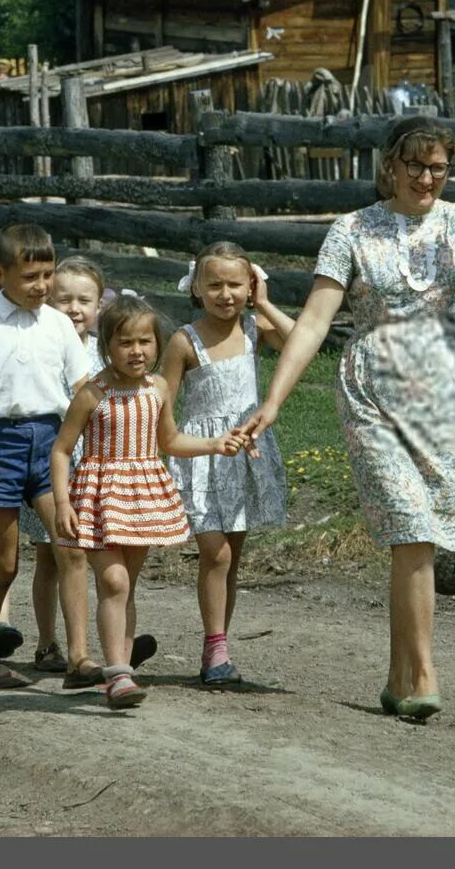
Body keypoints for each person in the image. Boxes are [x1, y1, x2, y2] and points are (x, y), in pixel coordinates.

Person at [235, 117, 455, 722]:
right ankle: (423, 675)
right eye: (415, 166)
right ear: (390, 165)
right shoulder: (350, 231)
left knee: (419, 539)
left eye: (438, 168)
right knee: (410, 525)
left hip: (445, 390)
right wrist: (275, 400)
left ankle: (400, 677)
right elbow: (315, 321)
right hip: (372, 387)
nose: (426, 179)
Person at [54, 294, 234, 710]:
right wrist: (63, 503)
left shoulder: (158, 388)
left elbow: (168, 441)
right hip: (98, 497)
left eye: (145, 342)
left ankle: (121, 672)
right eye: (125, 343)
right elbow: (62, 450)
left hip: (141, 494)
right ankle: (117, 674)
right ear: (107, 347)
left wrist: (213, 444)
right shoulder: (92, 394)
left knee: (125, 587)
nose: (137, 352)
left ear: (156, 344)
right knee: (113, 582)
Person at [0, 223, 95, 690]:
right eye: (30, 277)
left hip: (51, 444)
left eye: (47, 274)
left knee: (71, 550)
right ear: (0, 273)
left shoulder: (59, 324)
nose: (42, 286)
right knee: (2, 565)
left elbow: (82, 388)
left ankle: (79, 659)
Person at [160, 242, 296, 685]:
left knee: (231, 558)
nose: (225, 294)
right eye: (214, 284)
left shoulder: (255, 328)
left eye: (235, 284)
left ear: (250, 285)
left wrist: (265, 302)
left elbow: (301, 343)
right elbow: (162, 401)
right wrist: (164, 447)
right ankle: (215, 647)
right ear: (196, 287)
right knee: (214, 553)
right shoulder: (185, 339)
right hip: (202, 456)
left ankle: (218, 645)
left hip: (244, 455)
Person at [14, 255, 111, 680]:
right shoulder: (41, 341)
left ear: (99, 306)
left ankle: (112, 642)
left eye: (83, 300)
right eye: (64, 299)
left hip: (98, 462)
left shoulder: (107, 350)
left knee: (105, 554)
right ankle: (48, 642)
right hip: (49, 461)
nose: (74, 308)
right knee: (51, 558)